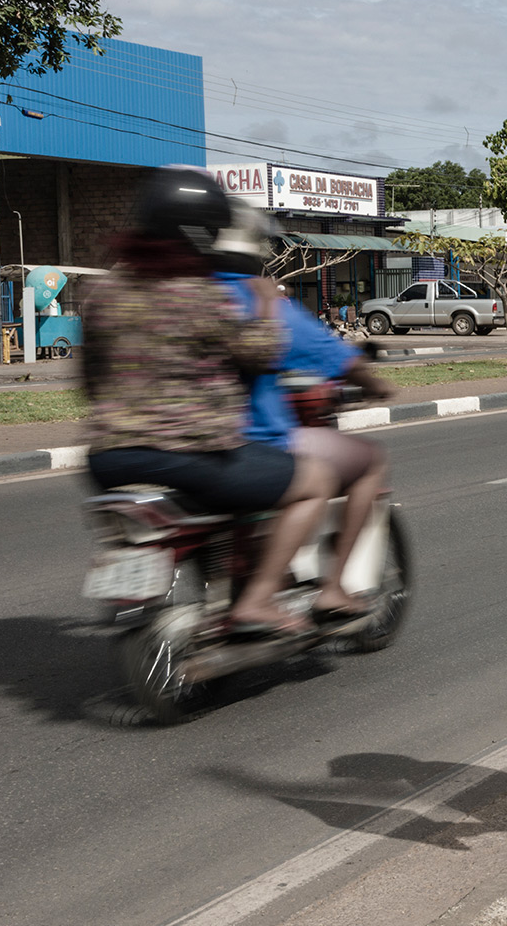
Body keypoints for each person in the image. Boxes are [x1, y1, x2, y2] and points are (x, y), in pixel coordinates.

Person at [83, 170, 337, 635]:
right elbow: (261, 356)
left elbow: (90, 380)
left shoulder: (102, 294)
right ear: (203, 232)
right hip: (193, 455)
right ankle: (257, 601)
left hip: (108, 461)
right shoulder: (201, 295)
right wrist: (265, 302)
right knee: (315, 481)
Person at [212, 203, 397, 619]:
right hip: (253, 442)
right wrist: (378, 385)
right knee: (368, 462)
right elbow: (340, 359)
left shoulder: (184, 298)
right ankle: (333, 588)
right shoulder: (263, 302)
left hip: (179, 445)